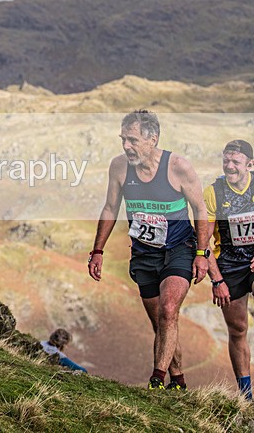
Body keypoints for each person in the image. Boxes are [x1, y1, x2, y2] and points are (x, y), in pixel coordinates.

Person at [87, 110, 210, 391]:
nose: (126, 146)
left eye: (132, 140)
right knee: (162, 324)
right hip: (144, 255)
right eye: (123, 140)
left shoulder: (178, 167)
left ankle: (156, 379)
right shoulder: (119, 167)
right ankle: (178, 382)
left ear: (152, 139)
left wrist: (202, 254)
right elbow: (110, 208)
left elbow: (200, 209)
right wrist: (97, 251)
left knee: (169, 311)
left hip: (179, 249)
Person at [201, 140, 254, 399]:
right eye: (226, 160)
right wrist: (217, 280)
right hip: (229, 265)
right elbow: (204, 241)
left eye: (236, 161)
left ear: (250, 164)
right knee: (238, 329)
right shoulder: (213, 193)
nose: (230, 165)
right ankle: (246, 396)